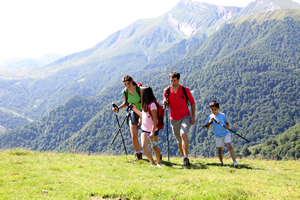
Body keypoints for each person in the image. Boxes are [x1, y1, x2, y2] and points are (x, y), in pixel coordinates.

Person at [163, 71, 196, 166]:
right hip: (174, 119)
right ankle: (185, 158)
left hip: (185, 116)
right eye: (171, 81)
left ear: (178, 80)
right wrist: (165, 102)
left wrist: (193, 116)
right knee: (179, 140)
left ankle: (186, 157)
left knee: (183, 133)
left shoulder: (185, 89)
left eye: (174, 81)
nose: (172, 83)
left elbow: (192, 102)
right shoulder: (167, 91)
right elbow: (167, 105)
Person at [112, 75, 143, 163]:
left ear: (132, 81)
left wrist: (142, 116)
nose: (127, 86)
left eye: (128, 84)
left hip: (142, 113)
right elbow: (126, 103)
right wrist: (117, 108)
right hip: (132, 113)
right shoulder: (125, 92)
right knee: (134, 136)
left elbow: (144, 103)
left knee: (147, 136)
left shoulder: (140, 90)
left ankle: (156, 153)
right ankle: (139, 156)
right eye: (125, 84)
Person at [132, 86, 162, 167]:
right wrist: (134, 109)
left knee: (154, 146)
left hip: (152, 130)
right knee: (144, 146)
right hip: (144, 129)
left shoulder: (152, 105)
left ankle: (159, 163)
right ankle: (152, 162)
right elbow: (144, 115)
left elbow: (155, 119)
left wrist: (152, 132)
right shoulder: (144, 104)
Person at [205, 100, 239, 166]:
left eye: (215, 109)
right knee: (219, 149)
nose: (213, 111)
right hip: (217, 135)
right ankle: (221, 162)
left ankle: (234, 161)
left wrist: (227, 126)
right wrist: (209, 121)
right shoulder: (210, 117)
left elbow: (227, 123)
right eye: (212, 110)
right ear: (210, 109)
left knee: (229, 146)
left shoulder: (223, 115)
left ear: (218, 108)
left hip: (226, 133)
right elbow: (207, 127)